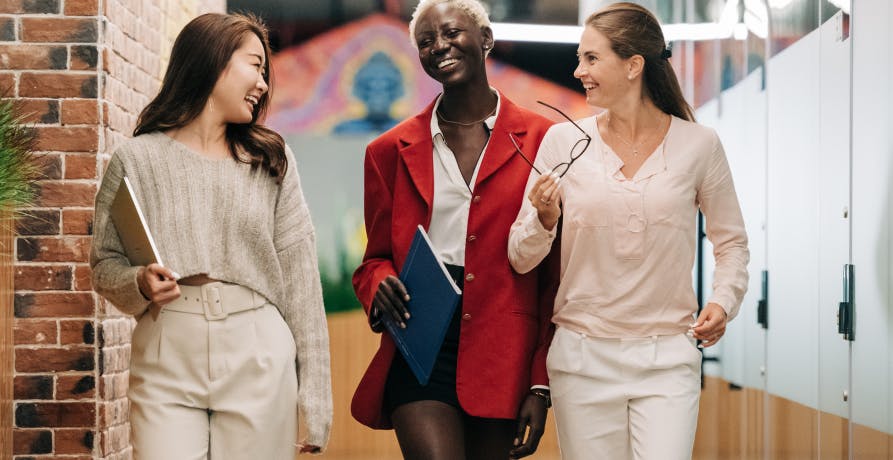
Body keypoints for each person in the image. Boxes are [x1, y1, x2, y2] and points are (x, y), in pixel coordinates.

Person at [507, 3, 749, 459]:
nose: (579, 70)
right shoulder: (563, 142)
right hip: (581, 360)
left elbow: (731, 241)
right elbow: (520, 255)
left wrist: (723, 300)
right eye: (580, 58)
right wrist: (543, 220)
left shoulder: (699, 144)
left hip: (667, 360)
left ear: (633, 65)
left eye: (591, 58)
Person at [90, 13, 332, 459]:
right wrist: (139, 281)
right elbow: (104, 265)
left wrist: (316, 401)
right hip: (166, 351)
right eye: (254, 65)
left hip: (258, 349)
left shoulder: (271, 161)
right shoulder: (136, 160)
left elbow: (302, 284)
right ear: (213, 61)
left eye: (264, 72)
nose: (262, 83)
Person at [350, 1, 560, 458]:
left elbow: (553, 278)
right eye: (426, 42)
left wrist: (540, 384)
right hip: (420, 339)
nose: (438, 46)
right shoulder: (388, 151)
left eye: (450, 33)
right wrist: (379, 282)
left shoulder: (545, 139)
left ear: (485, 40)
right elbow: (374, 259)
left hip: (503, 349)